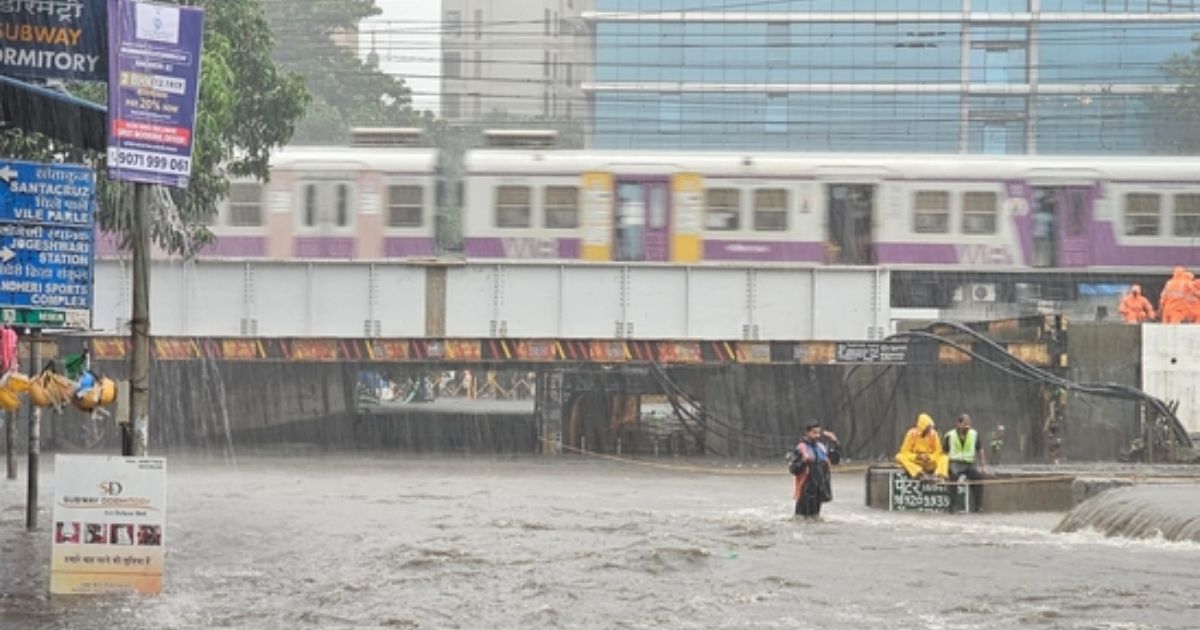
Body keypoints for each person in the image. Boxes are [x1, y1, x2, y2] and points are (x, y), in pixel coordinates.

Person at [789, 422, 840, 519]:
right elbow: (793, 469)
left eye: (818, 433)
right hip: (805, 491)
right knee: (801, 518)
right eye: (814, 433)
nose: (817, 436)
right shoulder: (801, 448)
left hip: (819, 490)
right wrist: (804, 461)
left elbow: (835, 460)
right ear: (807, 433)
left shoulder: (821, 448)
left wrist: (835, 442)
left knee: (815, 518)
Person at [943, 414, 989, 513]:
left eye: (969, 425)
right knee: (953, 479)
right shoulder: (950, 435)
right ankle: (953, 506)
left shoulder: (974, 434)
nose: (967, 427)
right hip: (955, 463)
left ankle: (978, 506)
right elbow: (944, 453)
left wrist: (983, 466)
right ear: (959, 424)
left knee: (977, 479)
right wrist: (944, 468)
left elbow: (980, 450)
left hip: (969, 464)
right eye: (965, 424)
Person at [895, 412, 948, 480]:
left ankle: (939, 476)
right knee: (899, 456)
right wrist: (916, 456)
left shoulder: (934, 434)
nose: (930, 429)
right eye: (928, 427)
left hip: (929, 462)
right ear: (922, 426)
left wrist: (929, 457)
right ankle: (918, 473)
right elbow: (904, 451)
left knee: (944, 458)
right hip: (915, 462)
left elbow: (938, 451)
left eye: (931, 427)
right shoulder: (911, 433)